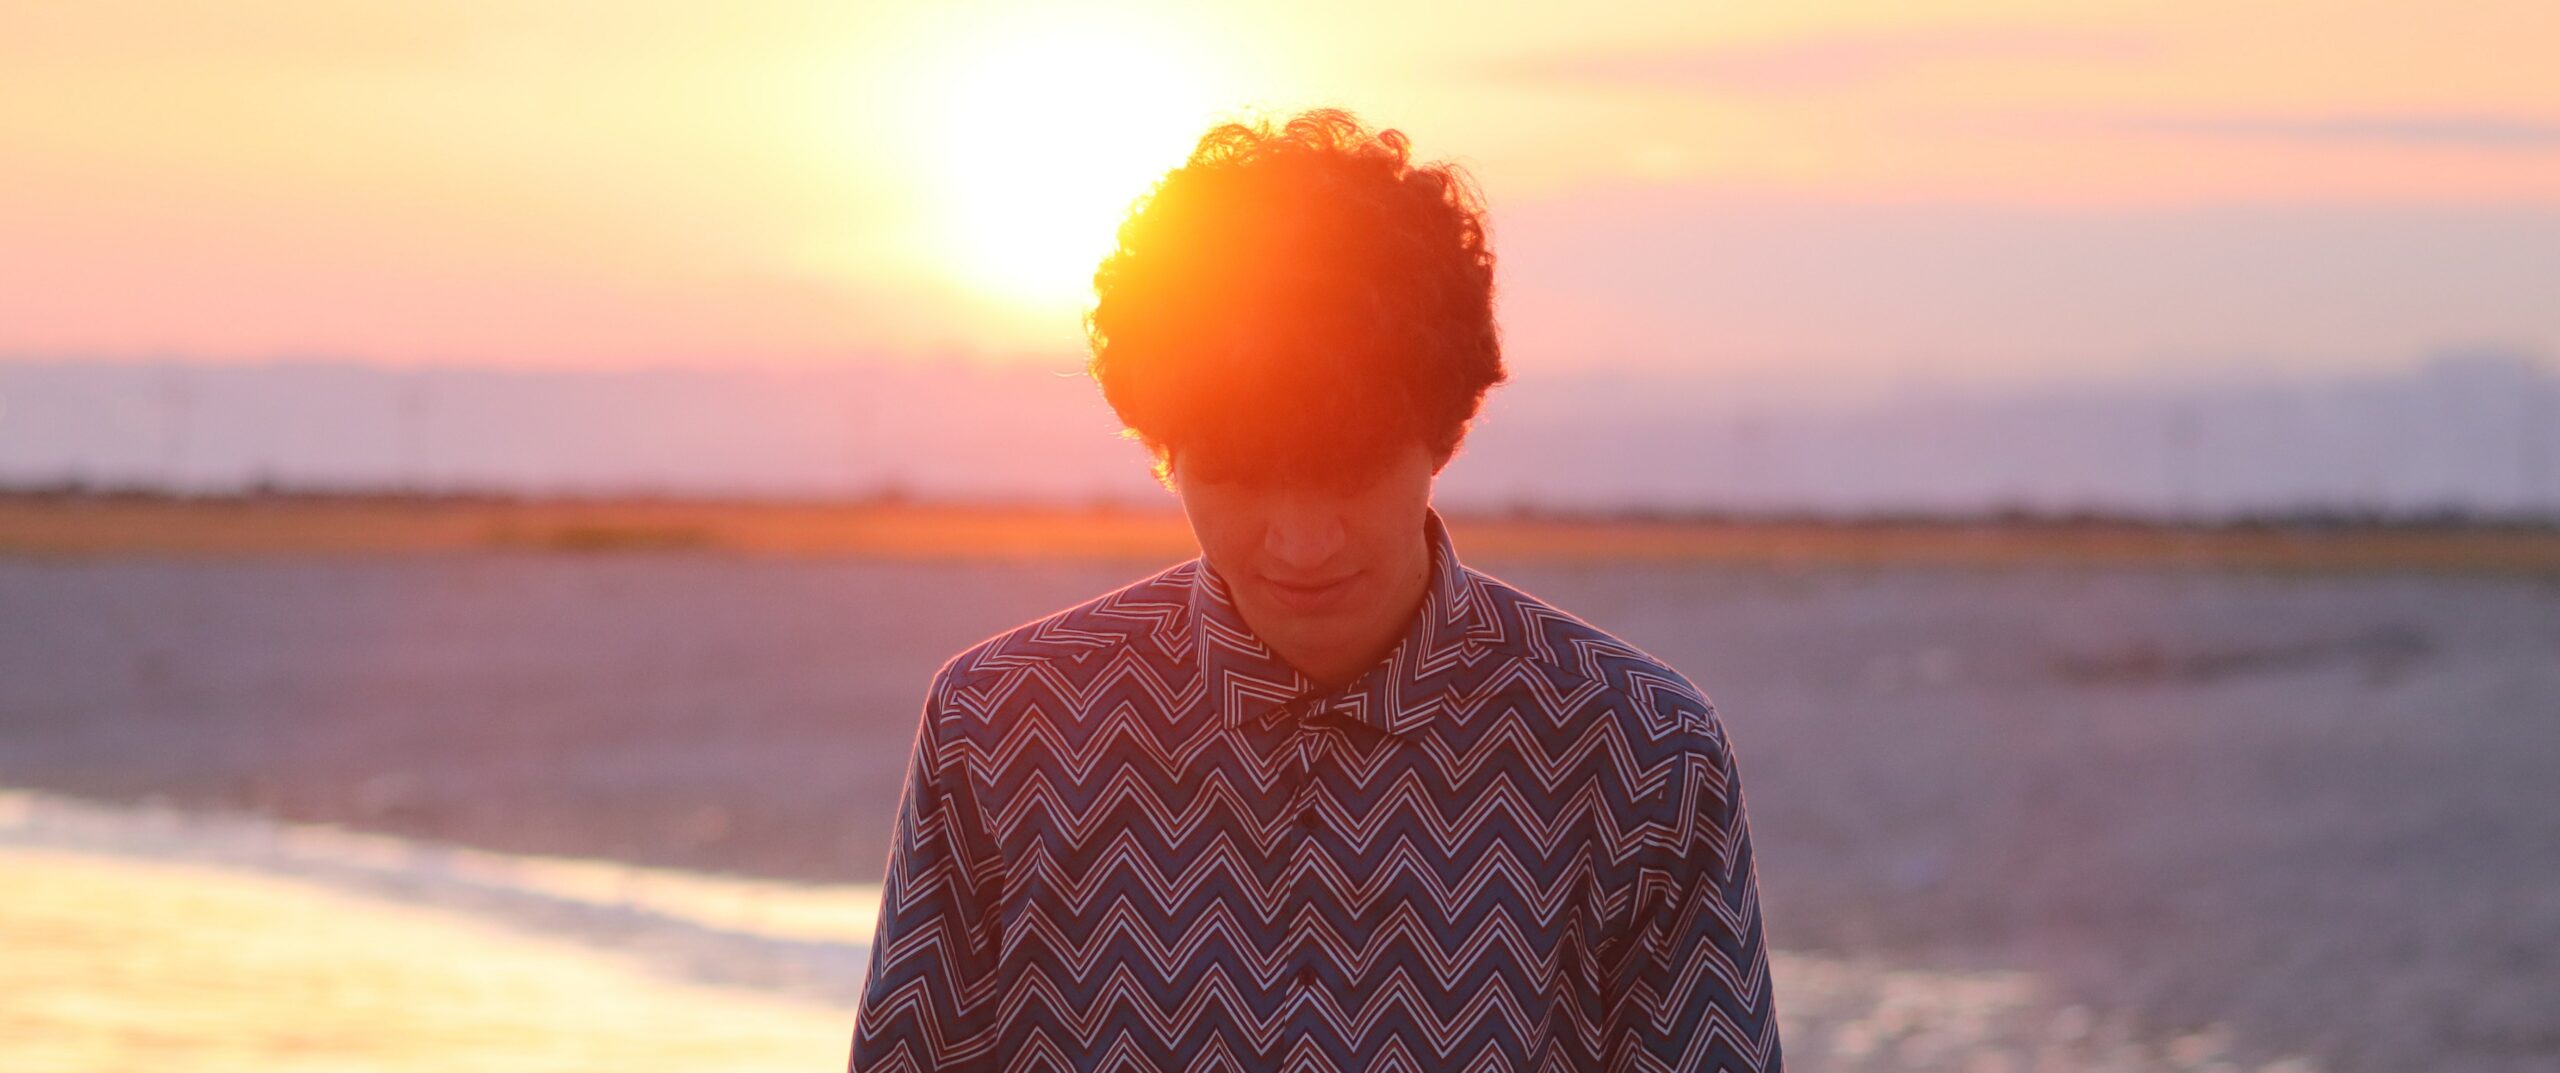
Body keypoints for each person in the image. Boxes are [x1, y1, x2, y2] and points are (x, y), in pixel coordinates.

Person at [848, 108, 1781, 1072]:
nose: (1300, 544)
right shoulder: (1001, 725)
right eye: (1242, 476)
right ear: (1163, 448)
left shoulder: (1640, 750)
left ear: (1443, 430)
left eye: (1349, 470)